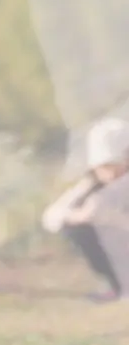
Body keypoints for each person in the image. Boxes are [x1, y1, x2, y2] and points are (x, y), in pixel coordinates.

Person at [42, 117, 129, 302]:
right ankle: (118, 286)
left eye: (119, 164)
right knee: (77, 229)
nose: (113, 173)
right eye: (106, 166)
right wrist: (84, 215)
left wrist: (111, 218)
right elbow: (52, 217)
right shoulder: (91, 185)